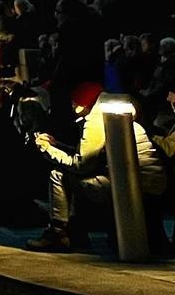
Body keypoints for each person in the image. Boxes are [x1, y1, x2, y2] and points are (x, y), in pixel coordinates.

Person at [29, 85, 169, 252]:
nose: (72, 106)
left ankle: (59, 234)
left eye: (74, 103)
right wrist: (58, 145)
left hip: (133, 186)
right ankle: (73, 234)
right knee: (76, 179)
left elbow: (81, 164)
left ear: (82, 105)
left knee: (59, 175)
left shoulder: (96, 120)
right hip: (147, 181)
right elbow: (93, 156)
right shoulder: (114, 112)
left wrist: (47, 149)